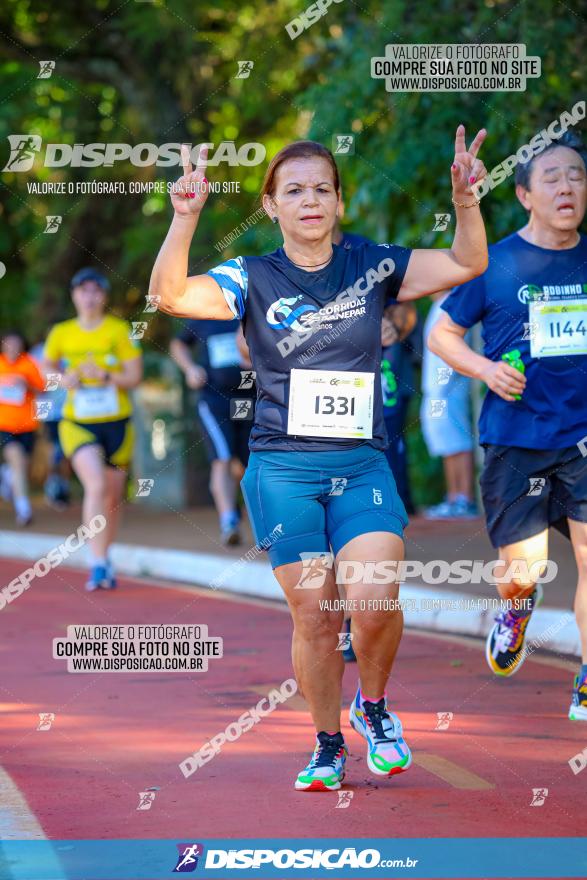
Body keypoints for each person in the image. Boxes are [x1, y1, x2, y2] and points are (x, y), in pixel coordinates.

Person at [150, 129, 488, 789]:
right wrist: (184, 217)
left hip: (360, 465)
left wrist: (466, 201)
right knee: (315, 614)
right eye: (294, 190)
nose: (310, 200)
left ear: (339, 202)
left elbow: (463, 262)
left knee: (375, 597)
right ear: (271, 206)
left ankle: (375, 706)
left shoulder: (374, 264)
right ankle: (328, 742)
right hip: (281, 470)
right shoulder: (249, 275)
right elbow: (170, 295)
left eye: (322, 189)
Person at [428, 130, 587, 721]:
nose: (566, 186)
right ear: (524, 194)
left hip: (583, 436)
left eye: (576, 175)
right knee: (521, 573)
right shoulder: (493, 264)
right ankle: (517, 608)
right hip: (516, 438)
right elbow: (442, 333)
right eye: (552, 177)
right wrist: (487, 371)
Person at [43, 268, 143, 591]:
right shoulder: (61, 332)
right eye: (83, 291)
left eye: (95, 291)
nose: (89, 297)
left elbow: (135, 377)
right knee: (96, 485)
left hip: (116, 424)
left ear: (104, 296)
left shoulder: (119, 330)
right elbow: (45, 367)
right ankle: (96, 563)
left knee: (113, 497)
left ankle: (105, 555)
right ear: (74, 295)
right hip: (78, 423)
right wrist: (63, 378)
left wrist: (106, 377)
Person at [170, 318, 255, 545]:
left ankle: (249, 513)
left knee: (248, 463)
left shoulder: (254, 308)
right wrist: (190, 369)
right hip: (215, 399)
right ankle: (229, 523)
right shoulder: (204, 314)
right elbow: (178, 344)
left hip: (249, 398)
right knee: (222, 458)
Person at [421, 292, 477, 519]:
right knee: (444, 440)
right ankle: (454, 497)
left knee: (457, 440)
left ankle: (465, 498)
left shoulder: (454, 303)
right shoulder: (440, 306)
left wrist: (442, 385)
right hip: (435, 389)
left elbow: (456, 346)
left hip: (448, 387)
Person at [0, 331, 45, 526]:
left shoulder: (29, 363)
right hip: (4, 424)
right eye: (9, 344)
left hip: (27, 424)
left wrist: (26, 384)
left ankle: (7, 475)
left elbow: (42, 390)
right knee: (17, 460)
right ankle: (24, 509)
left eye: (16, 344)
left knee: (22, 467)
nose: (12, 348)